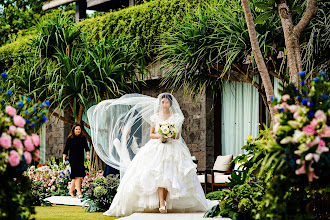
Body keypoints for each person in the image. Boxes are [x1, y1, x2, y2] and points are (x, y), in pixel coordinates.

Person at [87, 93, 209, 217]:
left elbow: (177, 136)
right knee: (158, 174)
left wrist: (170, 135)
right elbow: (151, 134)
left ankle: (166, 202)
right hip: (157, 147)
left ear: (170, 104)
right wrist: (161, 135)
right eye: (162, 102)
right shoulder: (155, 117)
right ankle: (162, 203)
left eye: (167, 102)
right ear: (160, 103)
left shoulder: (176, 117)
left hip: (172, 148)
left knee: (169, 174)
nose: (164, 104)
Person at [63, 124, 90, 198]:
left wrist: (87, 155)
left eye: (79, 129)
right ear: (73, 130)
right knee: (77, 175)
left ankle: (71, 191)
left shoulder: (83, 138)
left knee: (77, 176)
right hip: (73, 159)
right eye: (76, 129)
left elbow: (86, 148)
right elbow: (65, 150)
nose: (78, 130)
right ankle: (79, 192)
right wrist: (64, 159)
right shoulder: (70, 138)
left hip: (80, 158)